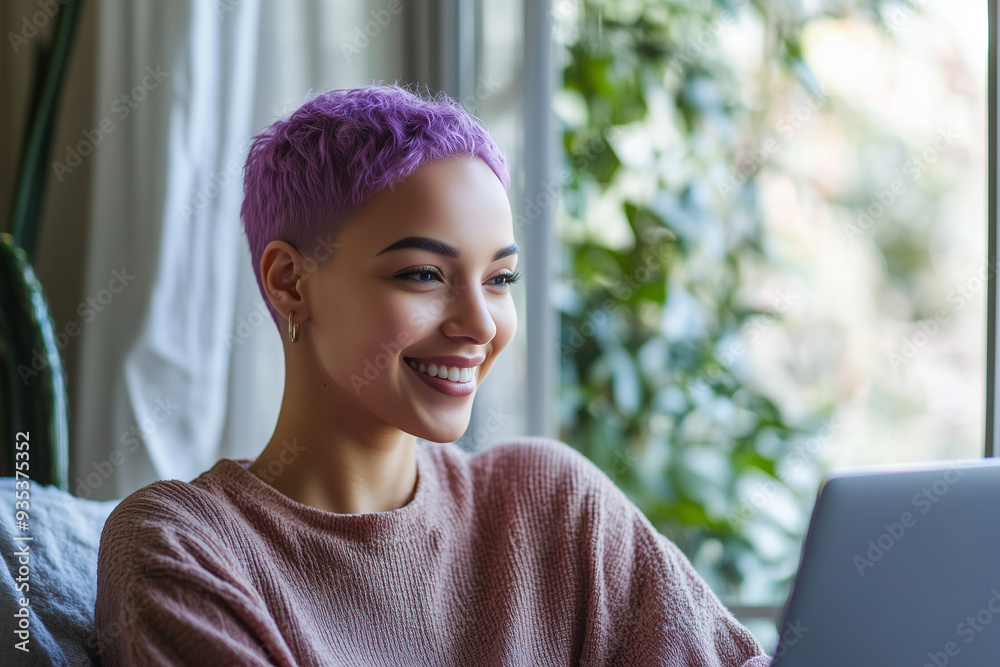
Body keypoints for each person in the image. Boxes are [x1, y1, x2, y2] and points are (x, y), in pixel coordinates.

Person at [95, 84, 771, 666]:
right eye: (423, 274)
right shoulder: (181, 549)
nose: (480, 323)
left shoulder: (552, 504)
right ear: (289, 282)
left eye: (500, 278)